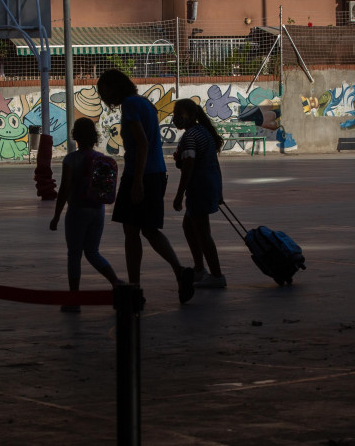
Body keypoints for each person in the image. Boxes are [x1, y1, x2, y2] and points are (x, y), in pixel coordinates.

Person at [96, 69, 196, 304]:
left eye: (104, 90)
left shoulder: (130, 105)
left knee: (131, 232)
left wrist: (137, 181)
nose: (103, 95)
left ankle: (134, 287)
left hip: (140, 174)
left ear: (112, 88)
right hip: (157, 173)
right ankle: (180, 272)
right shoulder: (145, 104)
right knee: (149, 230)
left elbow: (142, 143)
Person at [50, 118, 126, 313]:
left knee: (74, 254)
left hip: (77, 211)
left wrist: (57, 216)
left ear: (75, 135)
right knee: (92, 252)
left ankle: (74, 299)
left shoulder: (71, 159)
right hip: (97, 210)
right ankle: (116, 282)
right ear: (94, 137)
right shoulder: (101, 158)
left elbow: (65, 189)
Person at [170, 99, 226, 288]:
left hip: (199, 188)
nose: (175, 117)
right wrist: (219, 190)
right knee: (189, 226)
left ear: (192, 116)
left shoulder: (190, 137)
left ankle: (217, 276)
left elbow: (188, 167)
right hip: (208, 186)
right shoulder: (204, 133)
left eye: (179, 113)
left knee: (203, 233)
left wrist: (179, 195)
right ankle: (200, 268)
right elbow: (214, 164)